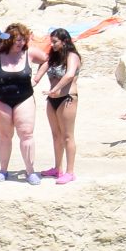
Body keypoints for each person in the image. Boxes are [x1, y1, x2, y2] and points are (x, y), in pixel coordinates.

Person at [0, 21, 42, 183]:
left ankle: (30, 171)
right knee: (5, 135)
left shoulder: (30, 53)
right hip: (0, 98)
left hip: (24, 97)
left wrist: (37, 78)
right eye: (17, 39)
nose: (21, 43)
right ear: (9, 40)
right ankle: (3, 170)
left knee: (26, 134)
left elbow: (47, 60)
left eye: (23, 39)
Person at [41, 27, 81, 183]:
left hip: (67, 97)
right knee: (56, 135)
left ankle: (70, 172)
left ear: (64, 41)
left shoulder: (72, 56)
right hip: (52, 99)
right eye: (51, 41)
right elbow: (41, 71)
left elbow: (70, 74)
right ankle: (58, 168)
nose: (52, 44)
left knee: (67, 136)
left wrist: (56, 89)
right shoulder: (54, 57)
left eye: (55, 41)